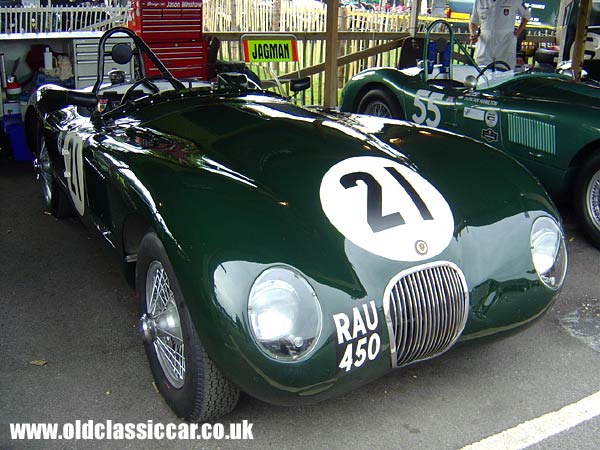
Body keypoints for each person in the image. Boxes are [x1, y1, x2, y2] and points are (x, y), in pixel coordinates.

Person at [469, 0, 530, 69]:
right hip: (485, 45)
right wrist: (472, 33)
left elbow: (526, 15)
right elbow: (473, 21)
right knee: (482, 72)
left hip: (506, 44)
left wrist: (517, 33)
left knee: (504, 73)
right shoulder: (480, 1)